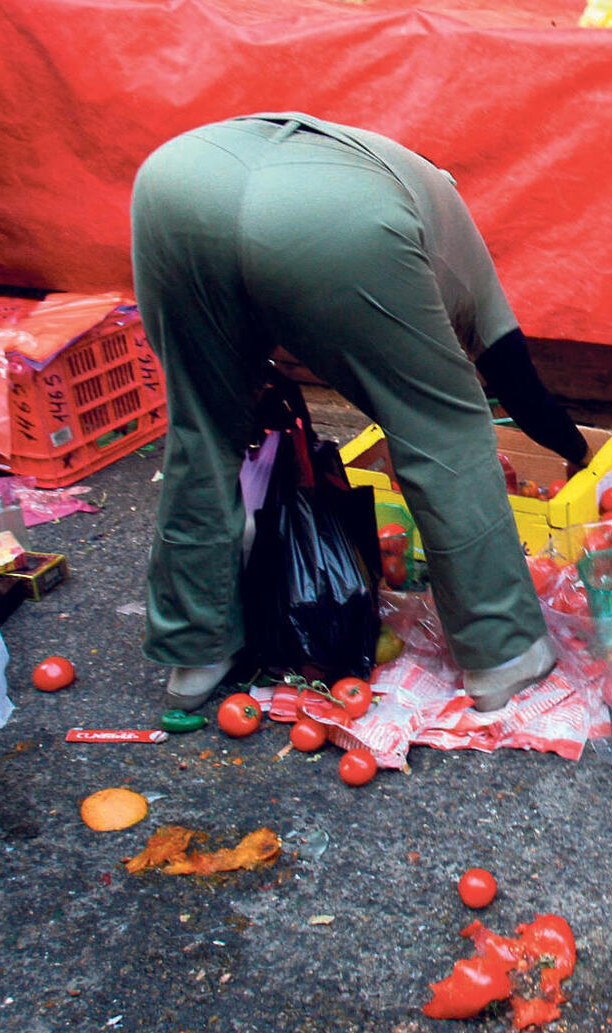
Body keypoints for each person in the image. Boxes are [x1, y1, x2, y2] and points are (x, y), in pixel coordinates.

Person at [132, 114, 588, 714]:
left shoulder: (391, 170)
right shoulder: (450, 229)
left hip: (177, 182)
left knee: (203, 426)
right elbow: (515, 382)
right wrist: (577, 454)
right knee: (444, 428)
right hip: (332, 223)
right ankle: (503, 654)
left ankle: (196, 652)